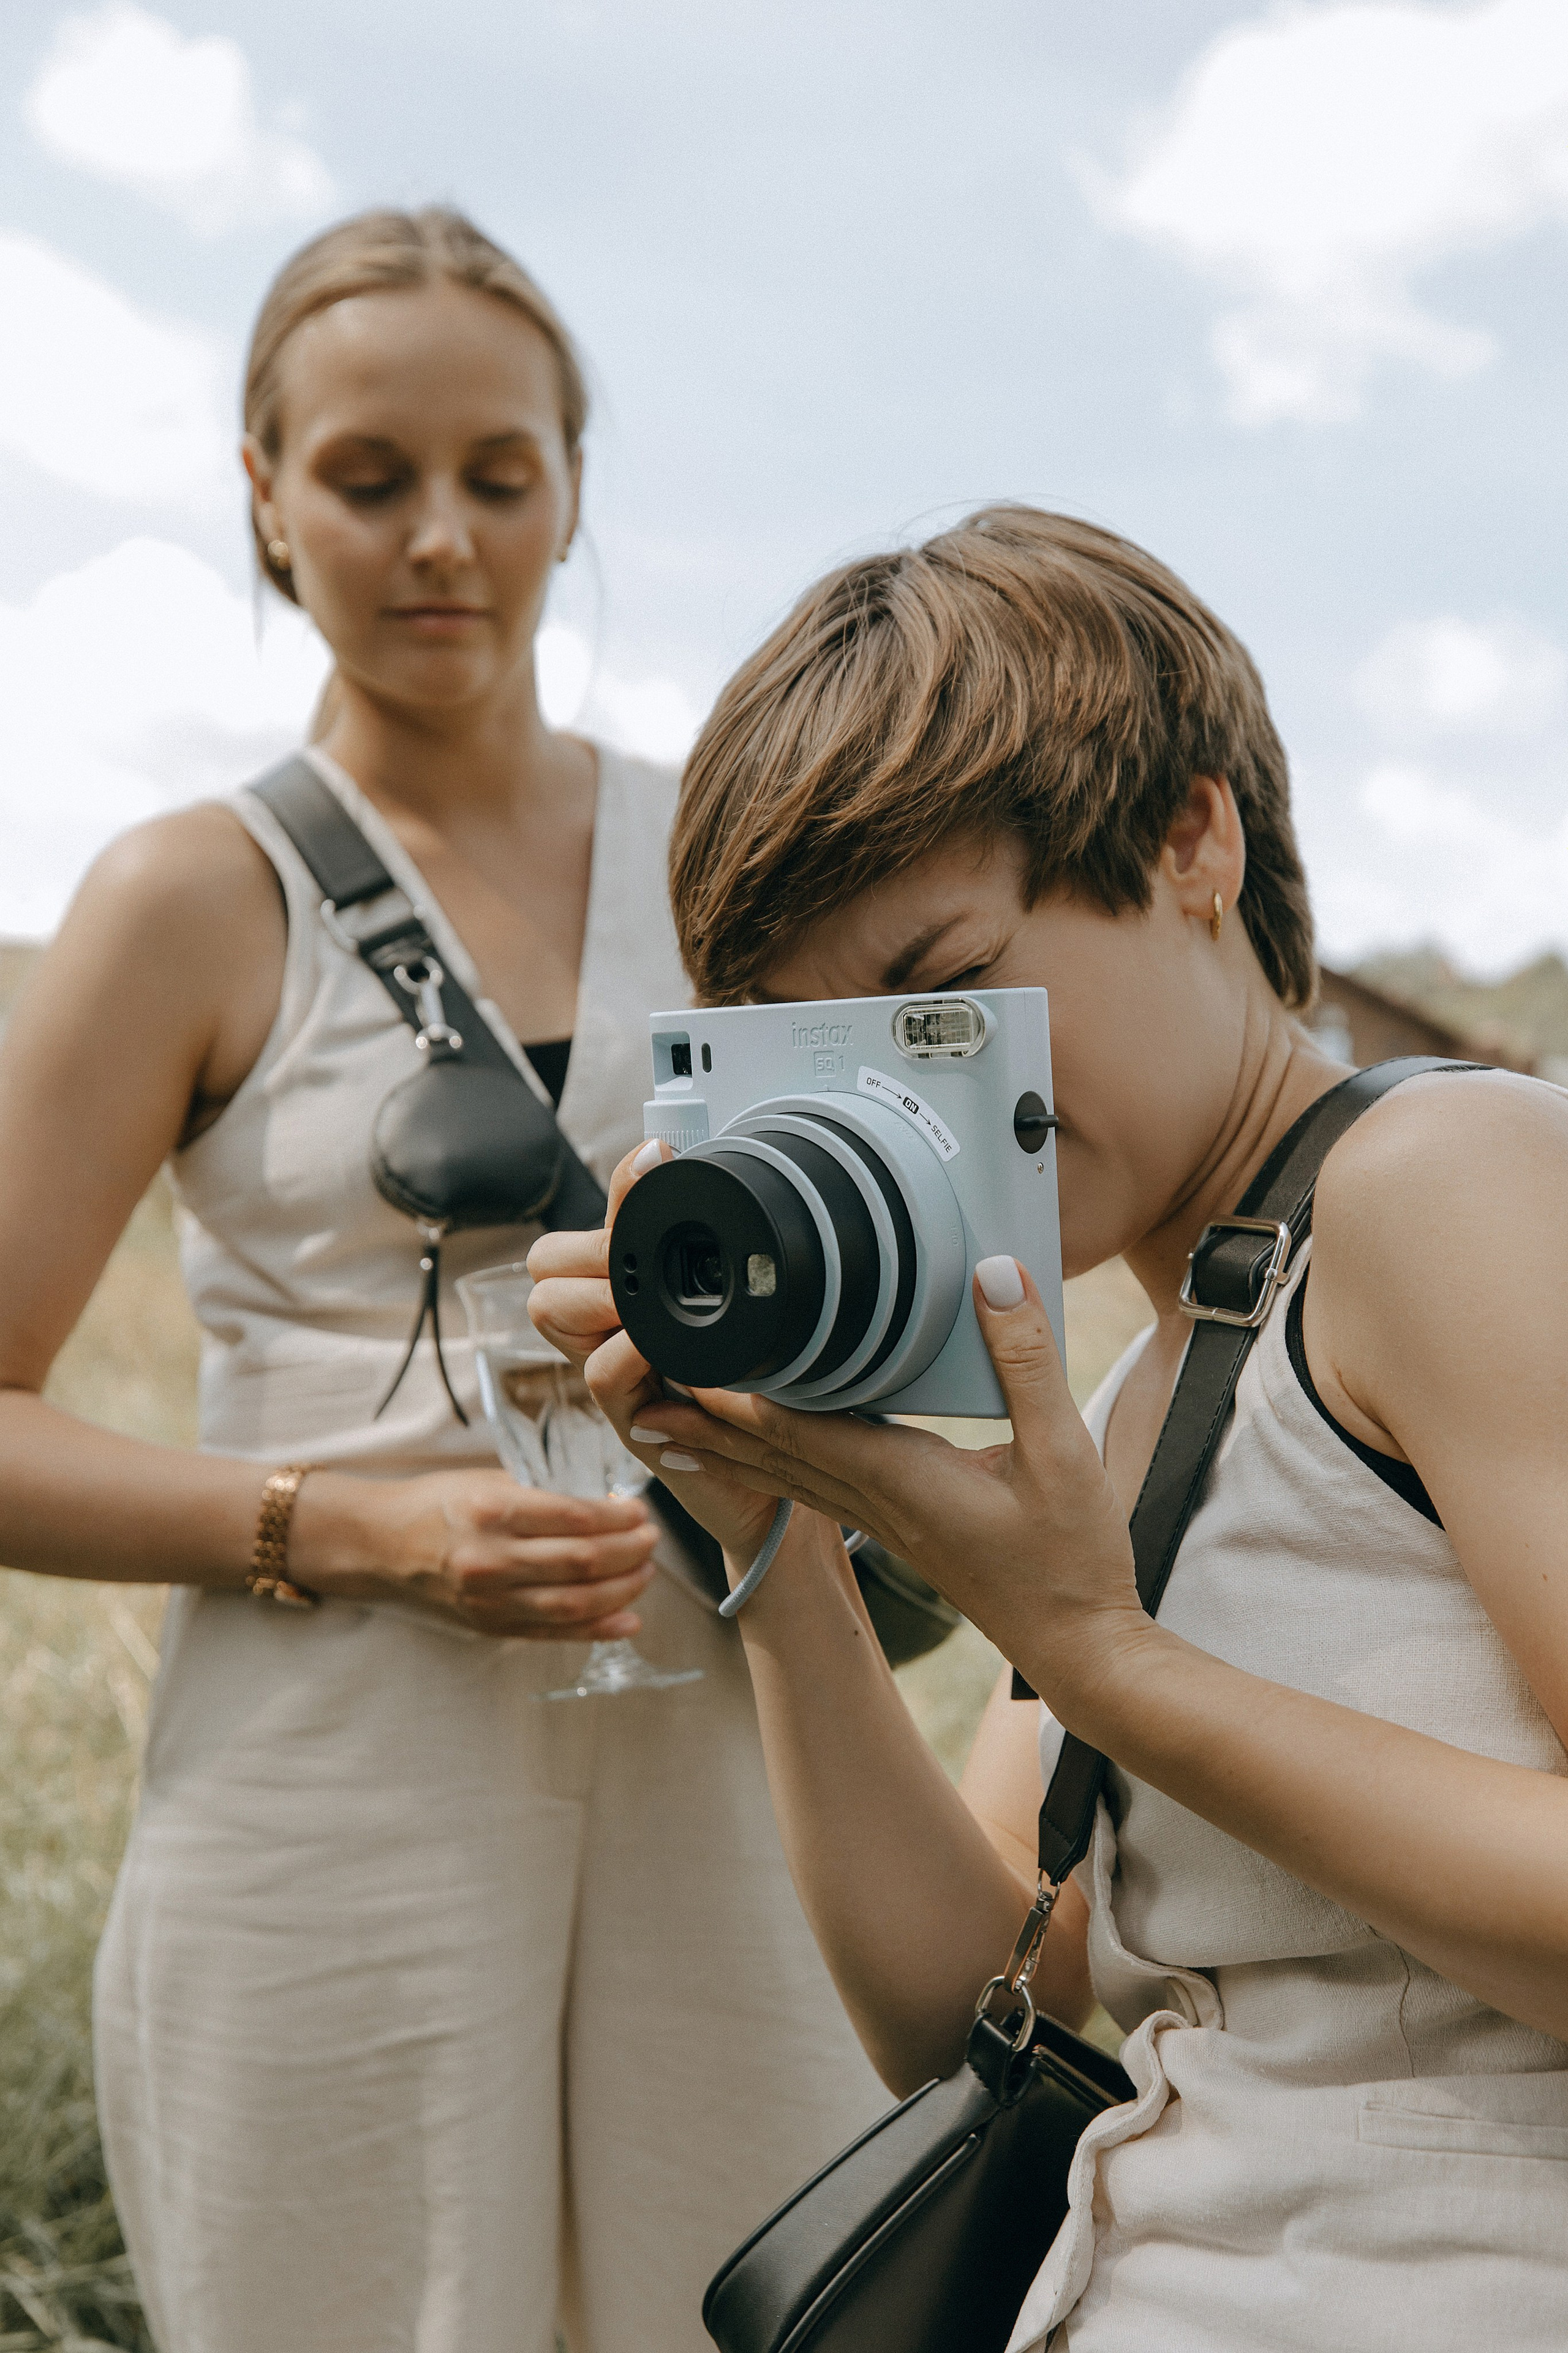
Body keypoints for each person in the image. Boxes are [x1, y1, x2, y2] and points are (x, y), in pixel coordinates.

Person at [530, 507, 1568, 2350]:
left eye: (942, 993)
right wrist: (772, 1539)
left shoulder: (1448, 1181)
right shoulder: (1149, 1382)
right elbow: (975, 1999)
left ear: (1193, 838)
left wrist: (1093, 1646)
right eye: (820, 1047)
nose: (906, 1105)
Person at [0, 207, 883, 2353]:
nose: (440, 540)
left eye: (500, 476)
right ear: (264, 497)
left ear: (574, 491)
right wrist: (358, 1529)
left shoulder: (732, 863)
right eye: (370, 478)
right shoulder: (180, 897)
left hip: (740, 1767)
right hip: (329, 1791)